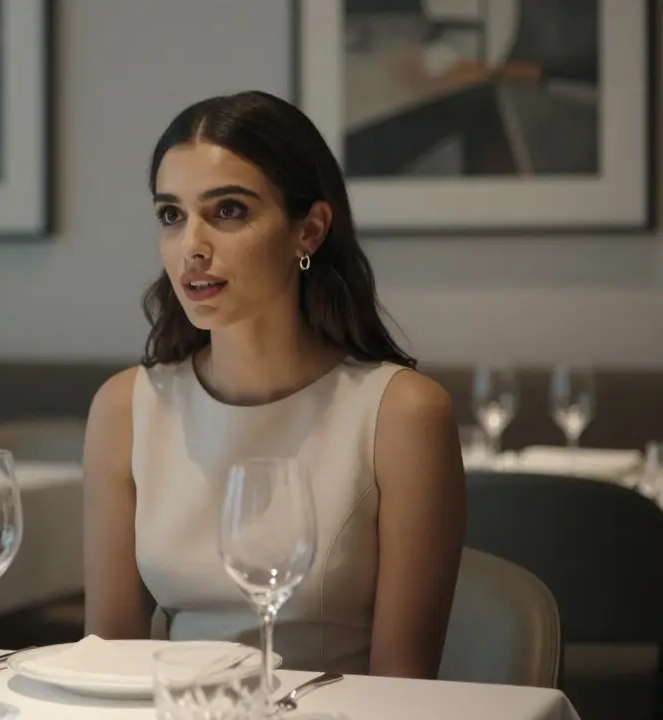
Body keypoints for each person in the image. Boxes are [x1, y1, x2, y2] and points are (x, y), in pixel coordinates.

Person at [82, 91, 466, 678]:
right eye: (171, 215)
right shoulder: (125, 408)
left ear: (308, 230)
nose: (192, 247)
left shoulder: (402, 414)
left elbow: (404, 690)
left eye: (228, 211)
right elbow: (106, 665)